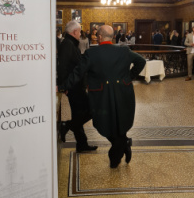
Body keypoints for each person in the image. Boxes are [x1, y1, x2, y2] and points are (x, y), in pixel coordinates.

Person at [58, 25, 146, 168]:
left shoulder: (92, 53)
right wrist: (128, 78)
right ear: (111, 37)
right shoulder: (124, 51)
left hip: (101, 95)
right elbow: (141, 61)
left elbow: (77, 73)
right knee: (118, 122)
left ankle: (116, 156)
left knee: (104, 121)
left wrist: (62, 86)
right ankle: (123, 145)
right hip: (122, 94)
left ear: (99, 37)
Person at [57, 20, 97, 152]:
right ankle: (67, 125)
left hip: (75, 86)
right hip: (74, 88)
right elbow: (62, 68)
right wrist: (64, 87)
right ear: (74, 32)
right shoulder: (68, 44)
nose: (80, 34)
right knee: (91, 110)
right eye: (79, 31)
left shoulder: (70, 43)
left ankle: (82, 144)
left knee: (77, 115)